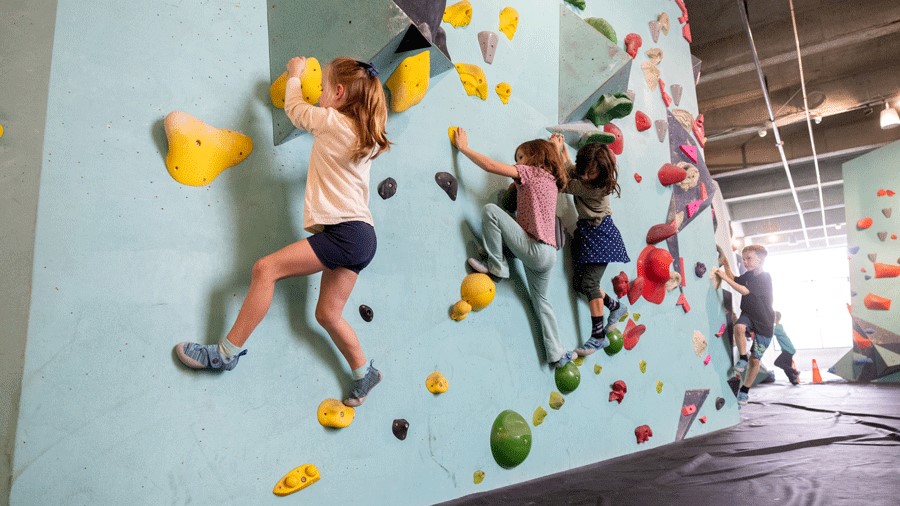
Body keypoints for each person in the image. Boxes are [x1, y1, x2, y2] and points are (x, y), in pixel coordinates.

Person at [174, 56, 391, 408]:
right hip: (363, 236)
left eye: (322, 89)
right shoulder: (364, 138)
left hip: (347, 233)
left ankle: (225, 353)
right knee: (326, 315)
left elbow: (295, 109)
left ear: (338, 93)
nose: (318, 95)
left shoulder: (332, 121)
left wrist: (295, 75)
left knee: (265, 269)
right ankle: (363, 371)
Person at [454, 128, 576, 368]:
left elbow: (489, 165)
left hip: (534, 248)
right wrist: (557, 147)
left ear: (534, 157)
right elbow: (555, 163)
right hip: (547, 254)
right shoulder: (552, 181)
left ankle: (496, 266)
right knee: (542, 301)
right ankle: (557, 353)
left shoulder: (530, 173)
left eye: (520, 157)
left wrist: (464, 148)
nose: (516, 163)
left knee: (491, 211)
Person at [551, 136, 629, 356]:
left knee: (590, 283)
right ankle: (615, 307)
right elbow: (572, 170)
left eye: (591, 173)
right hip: (588, 232)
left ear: (602, 172)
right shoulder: (587, 177)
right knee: (581, 284)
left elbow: (565, 183)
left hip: (601, 234)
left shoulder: (596, 187)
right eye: (585, 170)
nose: (586, 175)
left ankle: (597, 337)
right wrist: (563, 150)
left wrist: (558, 151)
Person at [713, 244, 775, 406]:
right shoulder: (748, 275)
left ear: (760, 260)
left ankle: (745, 390)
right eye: (744, 258)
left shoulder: (764, 277)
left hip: (764, 323)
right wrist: (725, 262)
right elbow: (734, 278)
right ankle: (742, 358)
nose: (745, 262)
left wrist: (724, 278)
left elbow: (743, 290)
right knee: (739, 327)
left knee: (755, 360)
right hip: (748, 315)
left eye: (749, 259)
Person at [773, 311, 801, 385]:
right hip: (789, 349)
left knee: (777, 363)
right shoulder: (779, 327)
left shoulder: (777, 328)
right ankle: (793, 381)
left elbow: (768, 331)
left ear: (775, 318)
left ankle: (795, 371)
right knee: (786, 367)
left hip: (788, 350)